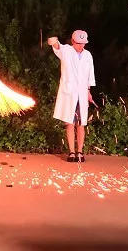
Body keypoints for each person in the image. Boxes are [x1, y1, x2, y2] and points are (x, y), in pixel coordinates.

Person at [47, 30, 96, 162]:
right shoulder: (67, 51)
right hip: (69, 93)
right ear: (73, 41)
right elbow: (57, 47)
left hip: (82, 93)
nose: (81, 46)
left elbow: (90, 75)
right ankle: (72, 152)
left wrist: (88, 91)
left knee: (81, 124)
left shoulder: (88, 55)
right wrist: (54, 41)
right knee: (70, 123)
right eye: (79, 43)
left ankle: (80, 151)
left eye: (83, 43)